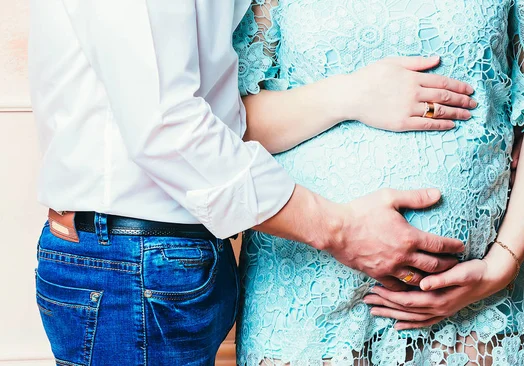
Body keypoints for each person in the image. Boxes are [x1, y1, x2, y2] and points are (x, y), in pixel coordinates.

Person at [27, 1, 474, 365]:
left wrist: (351, 95)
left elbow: (221, 117)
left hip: (168, 259)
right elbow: (165, 127)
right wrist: (341, 230)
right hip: (132, 263)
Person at [233, 0, 524, 364]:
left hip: (476, 304)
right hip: (306, 290)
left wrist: (500, 265)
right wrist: (352, 95)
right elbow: (233, 121)